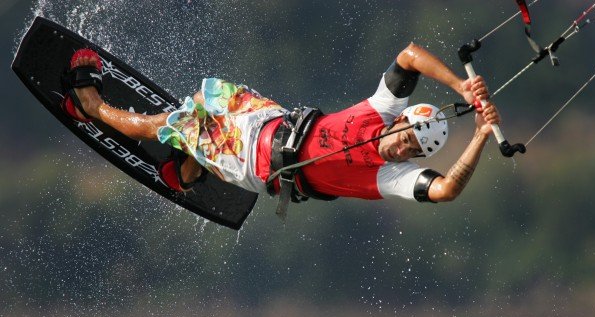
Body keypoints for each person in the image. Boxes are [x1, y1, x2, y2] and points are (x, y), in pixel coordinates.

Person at [61, 43, 499, 212]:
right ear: (401, 119)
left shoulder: (388, 176)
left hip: (253, 160)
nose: (401, 151)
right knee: (199, 101)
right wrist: (461, 85)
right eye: (405, 139)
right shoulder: (382, 109)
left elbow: (445, 190)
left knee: (167, 125)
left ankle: (90, 106)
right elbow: (409, 56)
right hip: (265, 116)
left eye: (412, 153)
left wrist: (479, 135)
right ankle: (188, 172)